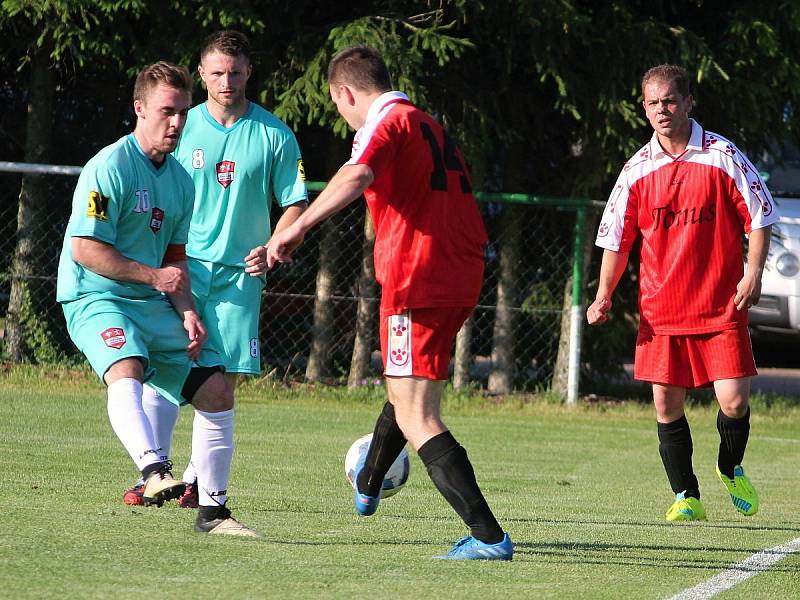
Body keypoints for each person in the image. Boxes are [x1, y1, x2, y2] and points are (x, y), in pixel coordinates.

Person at [266, 45, 513, 561]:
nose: (344, 117)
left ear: (345, 93)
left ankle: (489, 537)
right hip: (458, 273)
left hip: (416, 279)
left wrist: (299, 226)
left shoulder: (386, 122)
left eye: (339, 106)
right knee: (406, 392)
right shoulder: (427, 123)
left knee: (419, 413)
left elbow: (357, 175)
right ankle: (370, 481)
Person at [57, 61, 257, 537]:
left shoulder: (181, 182)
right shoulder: (110, 166)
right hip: (96, 295)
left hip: (150, 302)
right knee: (125, 364)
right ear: (139, 108)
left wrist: (188, 311)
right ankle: (152, 472)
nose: (178, 123)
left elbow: (175, 256)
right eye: (168, 111)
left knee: (217, 390)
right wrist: (155, 278)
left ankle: (213, 512)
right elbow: (86, 249)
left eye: (184, 112)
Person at [121, 31, 308, 509]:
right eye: (218, 72)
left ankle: (197, 480)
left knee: (220, 378)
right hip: (181, 267)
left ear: (249, 73)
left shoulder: (274, 134)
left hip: (240, 276)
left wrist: (270, 246)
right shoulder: (182, 128)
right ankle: (153, 474)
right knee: (168, 363)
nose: (227, 80)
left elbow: (294, 204)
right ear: (201, 73)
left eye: (237, 71)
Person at [587, 64, 777, 521]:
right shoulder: (636, 169)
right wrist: (603, 294)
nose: (662, 110)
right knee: (666, 404)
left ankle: (729, 467)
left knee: (733, 401)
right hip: (662, 310)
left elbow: (760, 214)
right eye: (653, 103)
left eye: (670, 100)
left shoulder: (722, 155)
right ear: (645, 109)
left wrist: (753, 273)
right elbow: (616, 239)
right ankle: (685, 495)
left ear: (690, 102)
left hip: (720, 305)